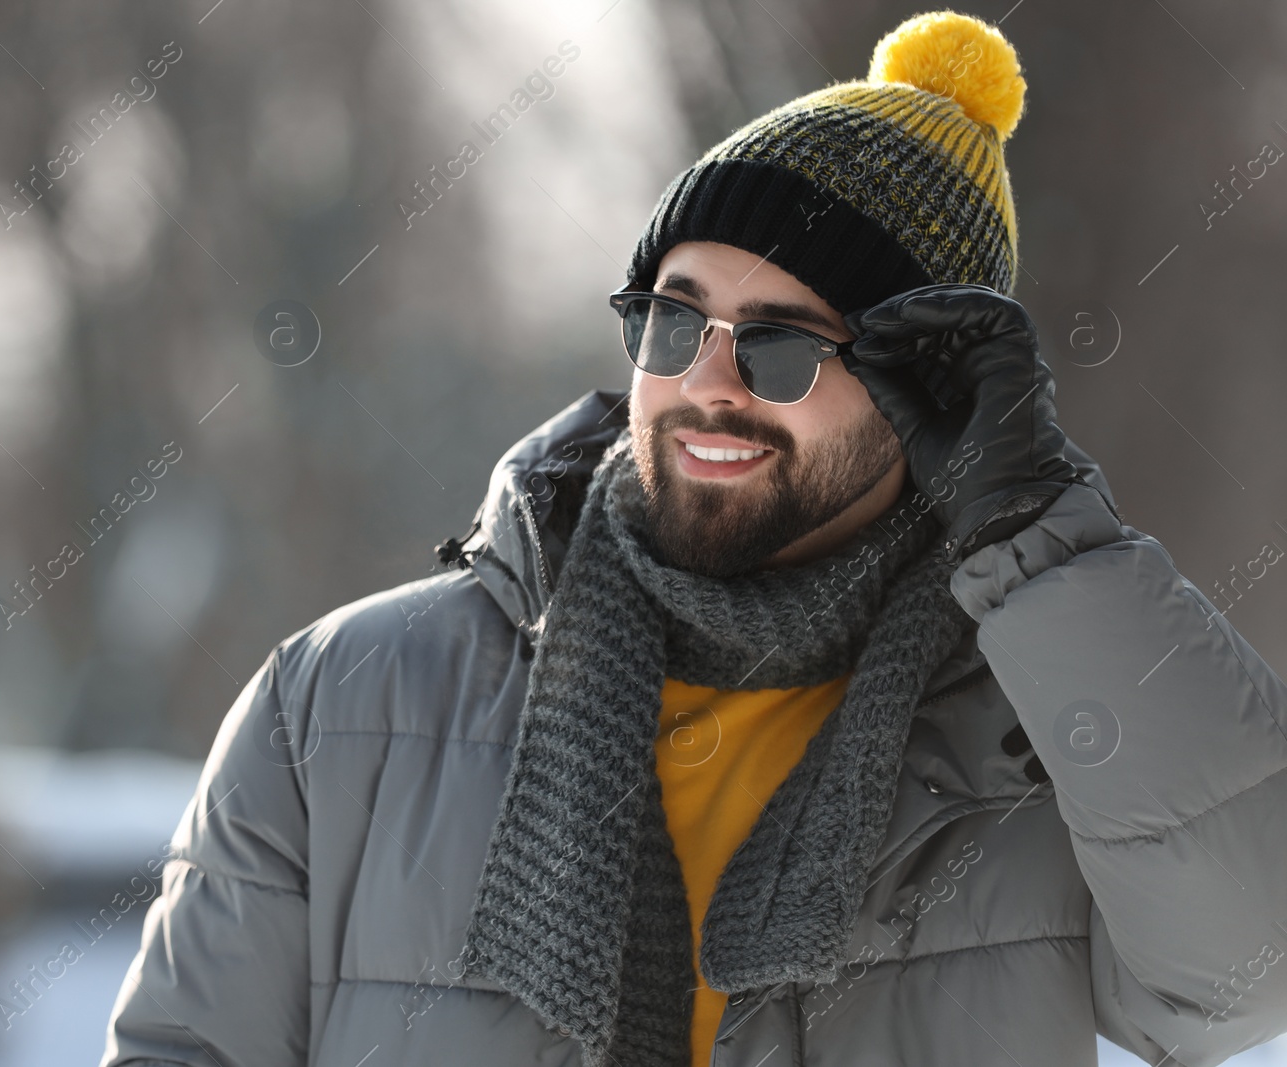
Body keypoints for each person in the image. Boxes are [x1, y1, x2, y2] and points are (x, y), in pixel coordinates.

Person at [101, 11, 1287, 1066]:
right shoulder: (338, 705)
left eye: (780, 345)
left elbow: (1242, 979)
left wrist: (1042, 534)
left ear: (925, 387)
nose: (707, 383)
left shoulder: (1037, 732)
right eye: (672, 322)